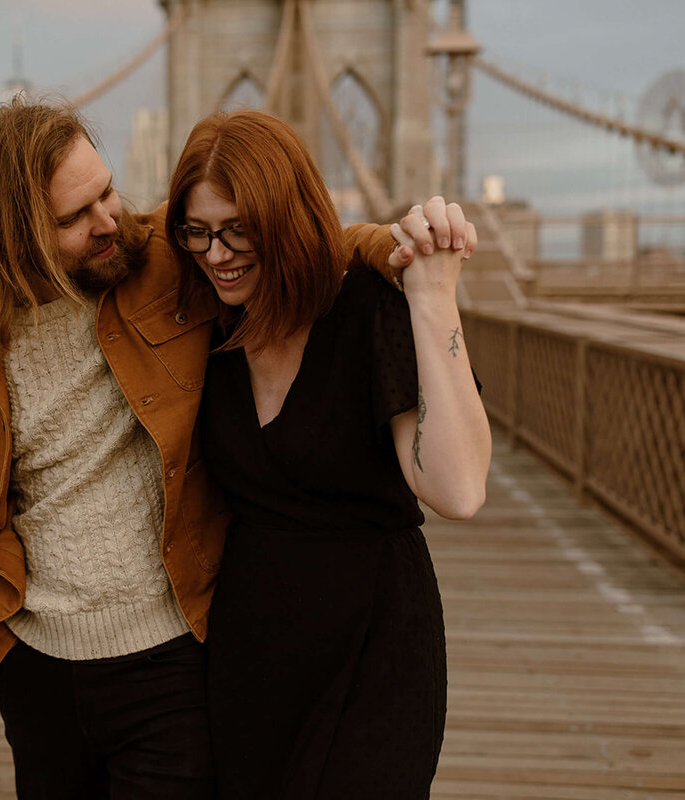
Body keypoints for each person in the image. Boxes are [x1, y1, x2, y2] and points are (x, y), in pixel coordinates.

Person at [0, 97, 473, 799]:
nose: (109, 220)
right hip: (35, 667)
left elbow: (284, 235)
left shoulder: (159, 262)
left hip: (172, 657)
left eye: (108, 191)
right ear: (13, 236)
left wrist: (393, 252)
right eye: (73, 217)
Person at [165, 109, 491, 799]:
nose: (216, 253)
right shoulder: (205, 318)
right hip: (251, 655)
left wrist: (433, 298)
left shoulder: (366, 307)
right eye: (198, 232)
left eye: (237, 230)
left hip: (375, 648)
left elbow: (458, 489)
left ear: (285, 218)